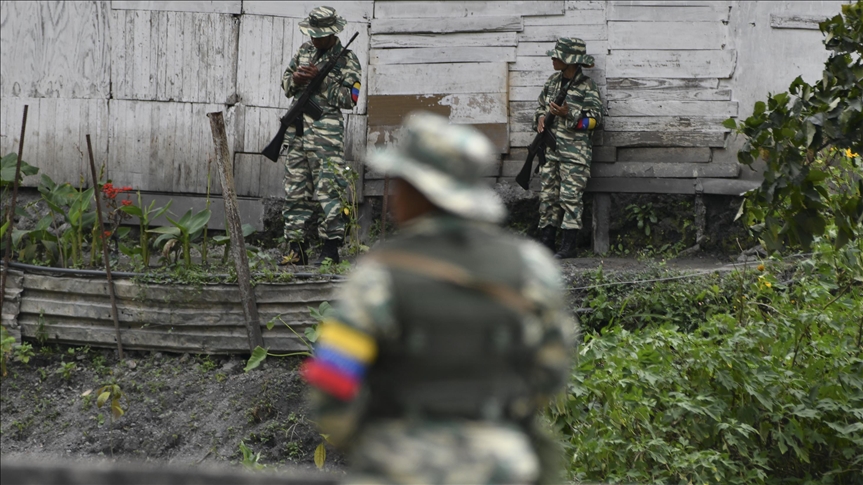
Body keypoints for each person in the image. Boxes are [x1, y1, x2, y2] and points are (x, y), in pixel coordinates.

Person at [300, 112, 577, 484]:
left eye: (400, 183)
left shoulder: (378, 277)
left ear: (418, 190)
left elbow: (332, 383)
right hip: (502, 469)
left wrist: (369, 443)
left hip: (399, 466)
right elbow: (553, 370)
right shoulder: (531, 267)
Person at [280, 6, 362, 265]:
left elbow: (351, 99)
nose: (314, 39)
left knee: (330, 191)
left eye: (320, 35)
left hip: (326, 138)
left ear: (332, 33)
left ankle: (330, 249)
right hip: (297, 134)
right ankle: (296, 249)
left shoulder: (347, 60)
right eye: (312, 34)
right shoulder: (304, 51)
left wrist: (322, 81)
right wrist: (294, 78)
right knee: (295, 190)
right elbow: (284, 83)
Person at [533, 37, 603, 259]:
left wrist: (569, 114)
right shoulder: (552, 82)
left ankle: (568, 246)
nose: (553, 59)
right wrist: (540, 119)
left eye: (558, 55)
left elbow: (595, 120)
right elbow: (540, 107)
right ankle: (546, 243)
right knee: (548, 196)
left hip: (575, 154)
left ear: (571, 60)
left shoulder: (587, 87)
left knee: (570, 197)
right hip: (550, 151)